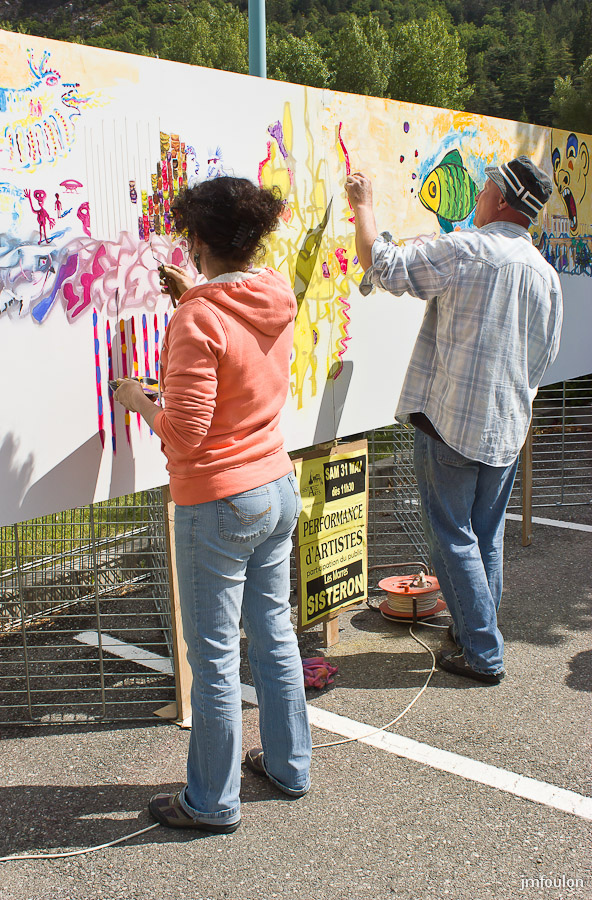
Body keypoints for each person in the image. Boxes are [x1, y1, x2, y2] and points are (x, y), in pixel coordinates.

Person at [114, 176, 311, 833]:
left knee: (216, 659)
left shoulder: (196, 319)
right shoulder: (275, 291)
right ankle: (289, 766)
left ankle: (211, 802)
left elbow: (184, 434)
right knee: (274, 634)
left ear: (198, 240)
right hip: (275, 486)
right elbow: (234, 345)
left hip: (220, 502)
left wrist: (137, 399)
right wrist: (192, 297)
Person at [346, 156, 563, 685]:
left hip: (451, 425)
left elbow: (382, 264)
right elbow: (544, 358)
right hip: (506, 428)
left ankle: (483, 653)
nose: (478, 196)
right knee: (484, 537)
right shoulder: (545, 274)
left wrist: (363, 205)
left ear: (503, 200)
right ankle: (472, 635)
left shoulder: (468, 249)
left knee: (453, 538)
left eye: (486, 188)